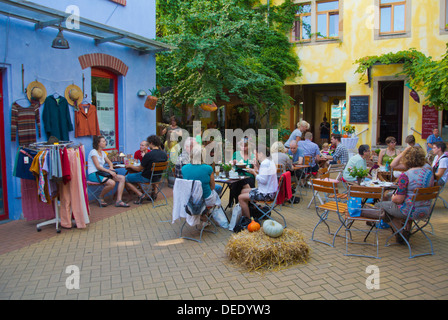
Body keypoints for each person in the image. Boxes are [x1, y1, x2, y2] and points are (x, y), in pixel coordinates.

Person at [375, 147, 434, 243]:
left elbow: (398, 200)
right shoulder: (429, 173)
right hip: (425, 210)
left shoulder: (406, 176)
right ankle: (404, 229)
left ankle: (401, 231)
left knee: (379, 205)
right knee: (391, 202)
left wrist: (393, 197)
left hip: (410, 210)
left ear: (406, 159)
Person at [87, 135, 129, 208]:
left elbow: (110, 162)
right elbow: (98, 167)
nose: (105, 142)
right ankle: (100, 197)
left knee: (122, 178)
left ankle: (119, 200)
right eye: (103, 141)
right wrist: (109, 171)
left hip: (102, 173)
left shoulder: (103, 153)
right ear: (98, 143)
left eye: (105, 141)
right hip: (93, 174)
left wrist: (111, 168)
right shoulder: (93, 152)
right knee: (111, 183)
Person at [125, 135, 168, 204]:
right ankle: (153, 193)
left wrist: (129, 165)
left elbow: (139, 169)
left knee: (125, 178)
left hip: (146, 177)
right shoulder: (164, 154)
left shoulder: (149, 155)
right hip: (157, 178)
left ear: (151, 143)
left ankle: (141, 195)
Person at [238, 147, 278, 218]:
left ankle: (248, 220)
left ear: (261, 154)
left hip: (266, 194)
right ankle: (251, 210)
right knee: (243, 190)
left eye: (255, 154)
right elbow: (265, 175)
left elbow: (263, 180)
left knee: (240, 197)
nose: (254, 155)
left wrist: (254, 173)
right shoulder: (269, 161)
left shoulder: (265, 163)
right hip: (270, 191)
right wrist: (256, 169)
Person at [182, 145, 219, 210]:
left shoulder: (184, 169)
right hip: (205, 200)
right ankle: (206, 212)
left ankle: (203, 213)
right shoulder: (208, 168)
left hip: (189, 200)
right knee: (219, 188)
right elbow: (212, 187)